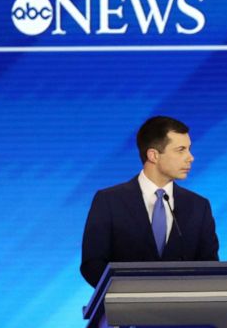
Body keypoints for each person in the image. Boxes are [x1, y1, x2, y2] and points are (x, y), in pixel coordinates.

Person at [80, 116, 219, 287]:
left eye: (189, 149)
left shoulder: (199, 206)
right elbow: (92, 264)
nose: (190, 158)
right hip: (126, 310)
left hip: (184, 310)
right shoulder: (109, 201)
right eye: (181, 150)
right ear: (153, 155)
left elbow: (210, 267)